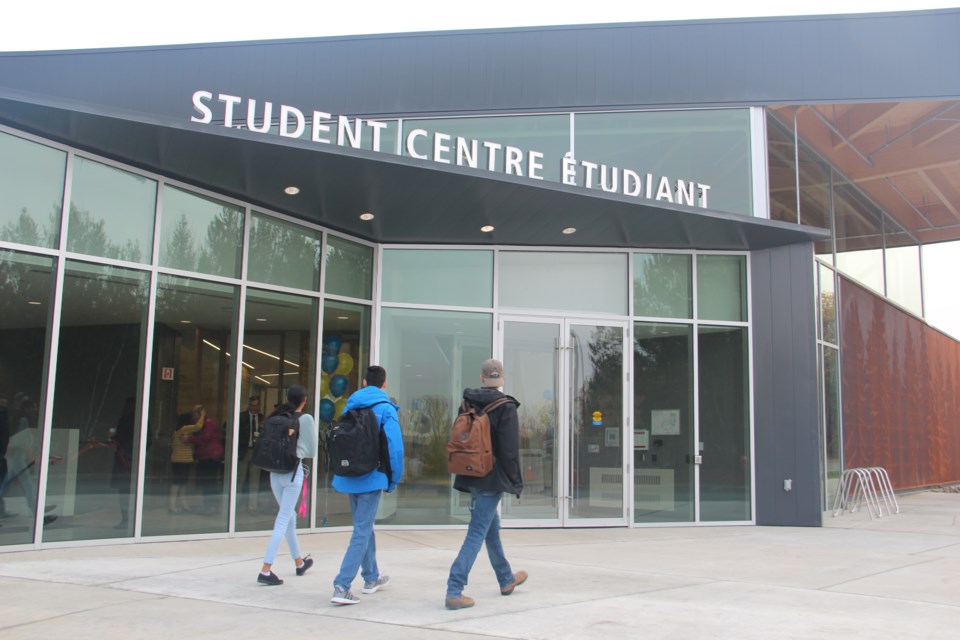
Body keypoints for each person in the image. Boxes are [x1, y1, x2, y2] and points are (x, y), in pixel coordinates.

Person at [445, 358, 527, 610]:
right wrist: (515, 482)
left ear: (482, 378)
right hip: (492, 478)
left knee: (490, 528)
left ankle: (505, 579)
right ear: (501, 380)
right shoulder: (506, 407)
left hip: (472, 475)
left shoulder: (466, 403)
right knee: (477, 532)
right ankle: (454, 589)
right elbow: (509, 451)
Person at [330, 365, 404, 605]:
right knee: (361, 531)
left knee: (364, 526)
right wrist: (393, 479)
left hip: (349, 475)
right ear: (384, 384)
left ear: (363, 382)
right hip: (371, 477)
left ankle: (371, 577)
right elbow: (395, 450)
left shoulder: (350, 405)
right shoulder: (385, 408)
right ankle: (341, 585)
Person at [258, 384, 317, 586]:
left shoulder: (277, 417)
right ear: (304, 400)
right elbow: (311, 451)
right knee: (283, 519)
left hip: (274, 473)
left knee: (289, 516)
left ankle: (299, 562)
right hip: (293, 472)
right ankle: (266, 569)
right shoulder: (305, 419)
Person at [186, 405, 224, 515]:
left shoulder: (208, 423)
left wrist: (189, 439)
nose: (193, 417)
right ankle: (208, 505)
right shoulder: (202, 424)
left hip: (211, 455)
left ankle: (212, 506)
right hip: (205, 455)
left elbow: (205, 438)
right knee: (206, 482)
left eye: (195, 414)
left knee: (210, 482)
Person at [110, 397, 137, 530]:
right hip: (134, 459)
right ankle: (133, 520)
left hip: (123, 459)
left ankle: (126, 518)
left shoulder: (125, 420)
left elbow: (118, 439)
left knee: (124, 490)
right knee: (132, 490)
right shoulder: (141, 420)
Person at [237, 396, 265, 514]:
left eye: (256, 405)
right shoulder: (242, 417)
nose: (254, 408)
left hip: (256, 451)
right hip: (244, 450)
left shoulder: (262, 418)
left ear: (259, 406)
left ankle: (252, 507)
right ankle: (236, 504)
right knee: (239, 479)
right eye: (251, 405)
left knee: (255, 480)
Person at [169, 411, 202, 514]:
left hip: (184, 459)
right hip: (180, 459)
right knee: (177, 483)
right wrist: (203, 415)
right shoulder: (184, 429)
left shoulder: (181, 430)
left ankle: (183, 504)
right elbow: (198, 426)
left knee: (183, 483)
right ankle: (172, 505)